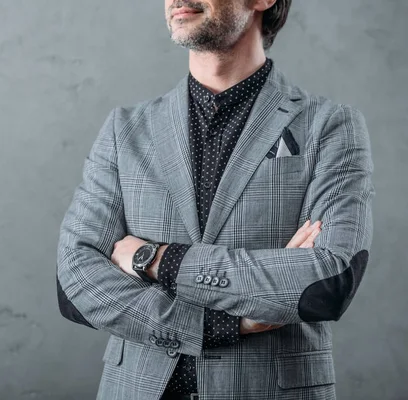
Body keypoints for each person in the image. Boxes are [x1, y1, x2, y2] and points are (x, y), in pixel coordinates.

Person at [56, 0, 375, 398]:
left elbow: (326, 281)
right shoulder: (125, 130)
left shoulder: (331, 126)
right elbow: (75, 282)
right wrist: (220, 324)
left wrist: (155, 259)